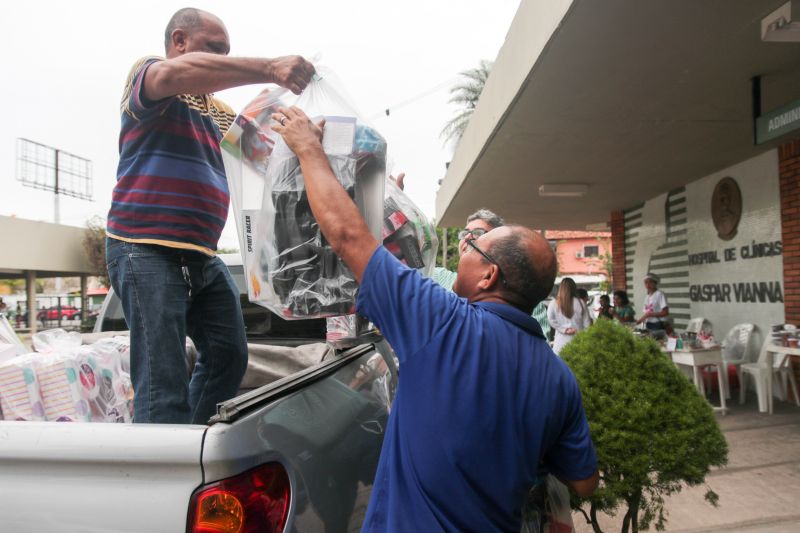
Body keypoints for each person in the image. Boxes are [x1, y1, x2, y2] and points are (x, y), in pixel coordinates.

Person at [271, 107, 598, 532]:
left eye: (471, 248)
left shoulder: (441, 321)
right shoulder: (559, 379)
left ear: (488, 274)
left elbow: (348, 237)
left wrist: (309, 151)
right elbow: (585, 482)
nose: (461, 249)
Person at [104, 8, 315, 424]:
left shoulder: (218, 111)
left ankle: (185, 444)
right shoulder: (151, 77)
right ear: (179, 42)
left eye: (226, 53)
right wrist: (270, 68)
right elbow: (174, 76)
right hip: (144, 248)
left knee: (228, 356)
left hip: (200, 256)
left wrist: (326, 149)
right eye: (214, 50)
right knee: (163, 385)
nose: (223, 60)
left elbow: (269, 157)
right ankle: (162, 474)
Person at [547, 277, 592, 355]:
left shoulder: (553, 303)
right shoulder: (580, 302)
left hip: (560, 343)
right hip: (578, 342)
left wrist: (564, 330)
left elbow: (550, 320)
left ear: (560, 288)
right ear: (574, 288)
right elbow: (587, 325)